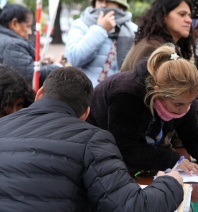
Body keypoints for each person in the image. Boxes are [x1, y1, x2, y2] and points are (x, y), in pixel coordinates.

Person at [0, 66, 184, 211]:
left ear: (39, 94)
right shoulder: (93, 140)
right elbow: (132, 206)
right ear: (86, 113)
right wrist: (170, 183)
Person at [87, 44, 198, 176]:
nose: (185, 109)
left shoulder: (182, 97)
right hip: (94, 150)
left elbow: (194, 135)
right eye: (178, 105)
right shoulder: (127, 95)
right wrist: (172, 160)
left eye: (190, 103)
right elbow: (125, 148)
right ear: (157, 92)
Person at [65, 0, 137, 87]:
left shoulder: (134, 30)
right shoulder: (82, 24)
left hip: (120, 94)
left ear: (120, 5)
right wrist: (101, 29)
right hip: (87, 94)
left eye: (108, 1)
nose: (103, 5)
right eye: (100, 1)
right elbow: (74, 58)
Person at [120, 0, 193, 72]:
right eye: (182, 14)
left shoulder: (161, 44)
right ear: (163, 16)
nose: (189, 20)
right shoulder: (153, 48)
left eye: (189, 16)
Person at [0, 3, 61, 87]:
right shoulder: (11, 45)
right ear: (15, 23)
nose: (30, 32)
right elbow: (33, 76)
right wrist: (57, 66)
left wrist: (41, 62)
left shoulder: (6, 40)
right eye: (28, 26)